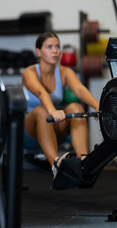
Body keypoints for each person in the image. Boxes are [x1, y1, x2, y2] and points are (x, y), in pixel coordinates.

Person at [22, 32, 99, 184]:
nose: (55, 51)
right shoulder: (29, 72)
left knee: (75, 107)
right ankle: (56, 165)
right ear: (38, 51)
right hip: (29, 132)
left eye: (57, 47)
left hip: (51, 129)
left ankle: (83, 162)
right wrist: (52, 111)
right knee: (42, 111)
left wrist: (98, 107)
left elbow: (79, 89)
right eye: (49, 47)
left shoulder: (64, 72)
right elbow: (40, 92)